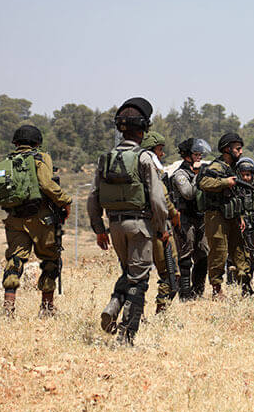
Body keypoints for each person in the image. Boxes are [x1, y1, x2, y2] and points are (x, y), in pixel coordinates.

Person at [88, 97, 167, 345]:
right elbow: (157, 199)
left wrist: (99, 229)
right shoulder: (144, 158)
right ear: (142, 131)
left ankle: (114, 305)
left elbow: (93, 197)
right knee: (139, 280)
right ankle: (126, 336)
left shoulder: (105, 158)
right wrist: (162, 228)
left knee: (128, 272)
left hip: (115, 226)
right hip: (140, 226)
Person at [0, 125, 72, 317]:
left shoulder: (8, 162)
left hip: (15, 219)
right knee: (51, 260)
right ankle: (47, 308)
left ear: (16, 143)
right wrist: (65, 200)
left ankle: (8, 309)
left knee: (14, 261)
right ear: (37, 142)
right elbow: (46, 184)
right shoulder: (41, 158)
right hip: (41, 219)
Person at [197, 133, 250, 297]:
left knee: (240, 250)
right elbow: (203, 183)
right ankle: (216, 289)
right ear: (227, 149)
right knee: (218, 252)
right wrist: (225, 182)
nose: (241, 152)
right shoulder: (216, 167)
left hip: (232, 215)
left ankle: (246, 286)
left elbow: (235, 195)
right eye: (237, 149)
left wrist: (240, 216)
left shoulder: (231, 168)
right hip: (216, 216)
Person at [140, 131, 182, 312]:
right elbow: (162, 197)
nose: (162, 154)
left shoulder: (135, 170)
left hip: (137, 228)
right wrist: (173, 214)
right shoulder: (152, 170)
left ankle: (134, 312)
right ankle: (162, 311)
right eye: (159, 150)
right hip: (158, 227)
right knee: (170, 273)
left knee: (136, 275)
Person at [170, 137, 210, 300]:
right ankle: (185, 295)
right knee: (185, 257)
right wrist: (198, 175)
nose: (200, 156)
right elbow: (188, 193)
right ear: (187, 155)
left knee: (203, 255)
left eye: (200, 153)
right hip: (185, 218)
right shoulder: (180, 174)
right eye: (196, 153)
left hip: (201, 218)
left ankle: (198, 291)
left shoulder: (198, 171)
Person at [235, 157, 254, 277]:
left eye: (248, 175)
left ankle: (249, 275)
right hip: (240, 227)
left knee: (253, 253)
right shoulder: (236, 190)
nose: (245, 178)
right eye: (243, 175)